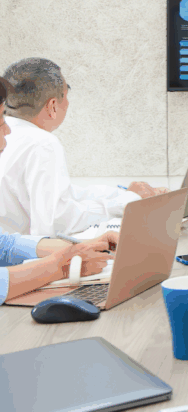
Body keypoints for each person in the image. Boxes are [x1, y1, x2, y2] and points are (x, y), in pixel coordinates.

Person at [0, 58, 167, 237]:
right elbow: (59, 221)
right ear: (52, 106)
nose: (68, 104)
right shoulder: (42, 143)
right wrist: (128, 200)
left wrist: (124, 194)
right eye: (66, 95)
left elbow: (67, 195)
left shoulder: (10, 132)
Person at [0, 76, 117, 304]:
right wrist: (62, 267)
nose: (8, 131)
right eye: (1, 122)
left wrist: (81, 248)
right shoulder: (43, 143)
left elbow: (4, 246)